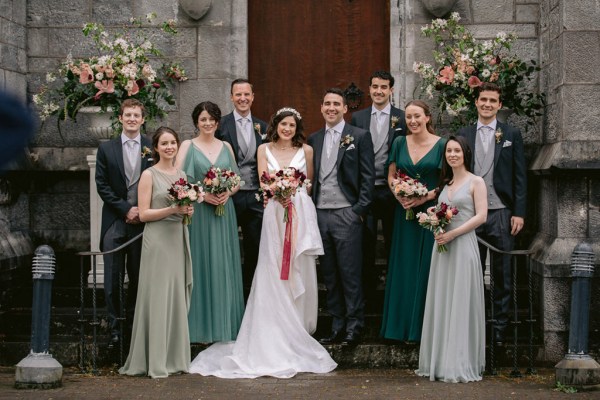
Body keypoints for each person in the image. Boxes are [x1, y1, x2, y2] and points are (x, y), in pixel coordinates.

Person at [189, 107, 337, 378]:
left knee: (299, 263)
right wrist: (277, 191)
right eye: (283, 124)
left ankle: (298, 325)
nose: (287, 129)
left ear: (297, 127)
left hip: (299, 212)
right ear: (275, 125)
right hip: (274, 213)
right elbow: (262, 181)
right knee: (272, 265)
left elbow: (309, 183)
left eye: (292, 125)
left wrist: (293, 192)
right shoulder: (263, 150)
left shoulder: (306, 151)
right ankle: (272, 324)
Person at [119, 127, 194, 378]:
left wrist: (187, 211)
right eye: (164, 143)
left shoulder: (182, 174)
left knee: (175, 295)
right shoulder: (149, 175)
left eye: (173, 142)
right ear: (156, 148)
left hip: (177, 238)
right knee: (158, 296)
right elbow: (143, 214)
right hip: (158, 240)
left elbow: (182, 207)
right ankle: (154, 360)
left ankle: (175, 359)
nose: (170, 147)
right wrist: (173, 209)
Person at [457, 82, 527, 345]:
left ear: (499, 105)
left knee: (502, 272)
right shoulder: (464, 133)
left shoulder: (511, 134)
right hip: (469, 212)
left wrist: (518, 212)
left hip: (500, 212)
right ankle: (472, 325)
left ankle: (499, 327)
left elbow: (520, 176)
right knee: (469, 270)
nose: (487, 104)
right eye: (483, 99)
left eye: (492, 101)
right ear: (476, 102)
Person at [416, 136, 487, 383]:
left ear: (465, 153)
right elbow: (438, 211)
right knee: (443, 299)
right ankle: (441, 359)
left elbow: (481, 217)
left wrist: (453, 233)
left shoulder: (476, 182)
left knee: (460, 300)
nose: (453, 154)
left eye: (457, 150)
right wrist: (435, 227)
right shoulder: (445, 184)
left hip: (463, 245)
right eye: (449, 151)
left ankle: (459, 361)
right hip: (442, 247)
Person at [308, 88, 375, 346]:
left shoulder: (359, 136)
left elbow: (367, 177)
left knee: (350, 273)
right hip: (320, 214)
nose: (331, 108)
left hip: (347, 213)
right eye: (327, 104)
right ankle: (336, 324)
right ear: (322, 108)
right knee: (329, 274)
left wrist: (358, 210)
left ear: (345, 109)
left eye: (337, 104)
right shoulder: (314, 139)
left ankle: (354, 325)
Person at [175, 101, 244, 343]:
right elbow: (178, 181)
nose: (207, 123)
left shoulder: (226, 146)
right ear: (196, 122)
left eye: (211, 119)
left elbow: (236, 180)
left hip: (224, 213)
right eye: (203, 119)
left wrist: (228, 192)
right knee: (202, 264)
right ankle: (199, 329)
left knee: (224, 265)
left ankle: (225, 326)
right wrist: (203, 195)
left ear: (217, 122)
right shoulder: (187, 146)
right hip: (199, 214)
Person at [380, 100, 445, 342]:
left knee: (426, 266)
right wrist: (400, 194)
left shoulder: (442, 145)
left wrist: (426, 197)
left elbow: (446, 181)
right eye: (408, 117)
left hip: (430, 214)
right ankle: (400, 327)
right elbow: (391, 174)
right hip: (404, 212)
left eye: (417, 116)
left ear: (428, 117)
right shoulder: (399, 142)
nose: (413, 121)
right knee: (404, 266)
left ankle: (423, 329)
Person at [95, 98, 152, 348]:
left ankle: (135, 329)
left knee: (140, 277)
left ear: (142, 119)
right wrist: (126, 209)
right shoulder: (106, 149)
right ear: (120, 118)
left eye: (136, 115)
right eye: (127, 115)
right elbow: (102, 186)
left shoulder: (152, 146)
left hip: (144, 223)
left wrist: (144, 210)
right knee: (112, 279)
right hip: (115, 222)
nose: (132, 119)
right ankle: (115, 329)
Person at [350, 71, 407, 301]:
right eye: (375, 87)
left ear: (391, 90)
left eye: (384, 87)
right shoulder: (358, 118)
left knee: (395, 243)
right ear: (370, 89)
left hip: (393, 191)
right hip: (367, 190)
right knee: (366, 244)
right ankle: (368, 293)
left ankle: (393, 294)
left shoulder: (402, 118)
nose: (379, 91)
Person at [216, 79, 268, 295]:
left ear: (253, 97)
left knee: (254, 246)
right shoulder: (221, 125)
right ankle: (228, 290)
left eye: (247, 94)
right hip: (231, 195)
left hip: (255, 194)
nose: (243, 98)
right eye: (238, 94)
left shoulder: (263, 126)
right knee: (226, 244)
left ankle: (251, 291)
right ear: (231, 97)